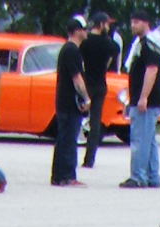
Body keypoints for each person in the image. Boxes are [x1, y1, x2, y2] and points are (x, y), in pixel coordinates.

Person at [117, 13, 160, 188]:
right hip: (142, 99)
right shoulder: (142, 43)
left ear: (146, 23)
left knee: (140, 139)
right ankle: (152, 176)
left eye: (136, 22)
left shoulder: (150, 44)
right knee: (149, 140)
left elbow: (152, 70)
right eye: (131, 22)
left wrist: (143, 97)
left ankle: (138, 177)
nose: (133, 25)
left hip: (146, 101)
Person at [49, 14, 85, 186]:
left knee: (64, 138)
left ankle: (58, 175)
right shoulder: (72, 50)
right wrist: (86, 98)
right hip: (70, 102)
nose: (86, 32)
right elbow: (77, 78)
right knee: (69, 140)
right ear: (77, 31)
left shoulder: (67, 49)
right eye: (84, 29)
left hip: (63, 101)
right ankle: (67, 175)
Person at [77, 8, 112, 169]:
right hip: (100, 85)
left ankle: (71, 152)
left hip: (86, 83)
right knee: (95, 123)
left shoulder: (85, 41)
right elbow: (112, 57)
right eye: (107, 24)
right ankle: (89, 159)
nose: (109, 27)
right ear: (102, 24)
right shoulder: (108, 43)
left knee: (77, 118)